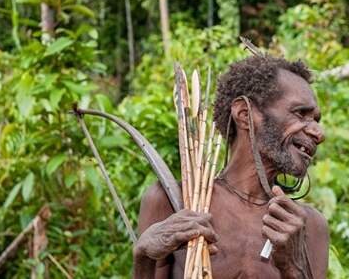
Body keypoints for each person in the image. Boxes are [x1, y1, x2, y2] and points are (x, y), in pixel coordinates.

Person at [133, 56, 329, 278]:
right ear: (245, 115)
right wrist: (143, 258)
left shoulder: (309, 225)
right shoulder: (172, 200)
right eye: (300, 114)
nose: (318, 133)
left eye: (316, 120)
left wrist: (294, 268)